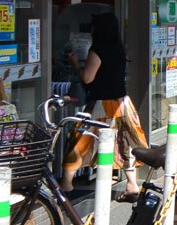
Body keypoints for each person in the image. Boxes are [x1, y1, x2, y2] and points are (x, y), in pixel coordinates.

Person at [62, 12, 149, 200]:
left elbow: (87, 78)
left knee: (80, 139)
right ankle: (132, 184)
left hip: (102, 104)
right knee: (125, 142)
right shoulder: (119, 48)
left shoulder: (98, 50)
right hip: (123, 103)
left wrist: (76, 64)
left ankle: (66, 184)